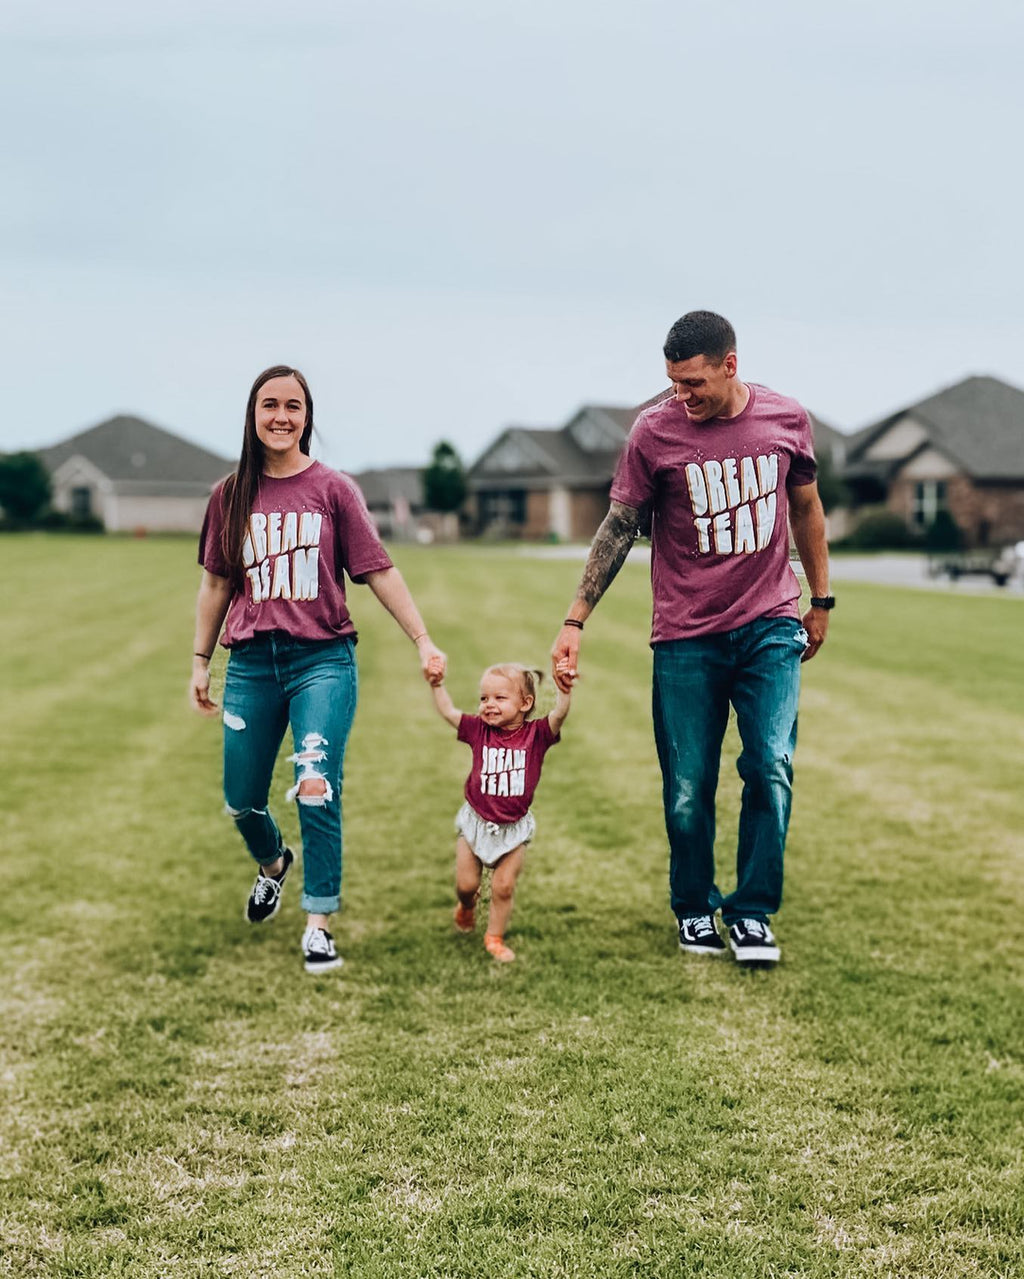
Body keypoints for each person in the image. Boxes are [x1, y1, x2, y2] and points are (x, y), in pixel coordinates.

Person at [551, 311, 832, 967]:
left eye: (694, 383)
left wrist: (820, 599)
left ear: (729, 366)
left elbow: (807, 510)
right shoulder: (653, 432)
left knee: (769, 766)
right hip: (685, 635)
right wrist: (574, 619)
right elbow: (620, 527)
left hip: (769, 624)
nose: (683, 396)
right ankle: (694, 907)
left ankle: (753, 912)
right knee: (686, 786)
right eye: (674, 383)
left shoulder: (786, 420)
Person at [189, 364, 445, 973]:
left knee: (316, 782)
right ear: (252, 417)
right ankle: (275, 862)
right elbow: (216, 582)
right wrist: (200, 662)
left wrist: (423, 639)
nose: (281, 417)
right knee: (241, 800)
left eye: (293, 407)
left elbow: (379, 570)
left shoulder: (333, 490)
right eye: (269, 405)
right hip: (251, 664)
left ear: (308, 417)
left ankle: (318, 923)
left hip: (322, 662)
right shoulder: (230, 497)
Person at [427, 661, 571, 962]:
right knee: (466, 886)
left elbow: (559, 715)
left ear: (525, 703)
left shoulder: (537, 735)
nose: (488, 705)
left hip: (513, 829)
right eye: (484, 698)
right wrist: (437, 685)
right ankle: (466, 906)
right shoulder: (478, 730)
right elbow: (449, 713)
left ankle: (494, 937)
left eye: (499, 698)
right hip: (476, 823)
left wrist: (564, 691)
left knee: (503, 887)